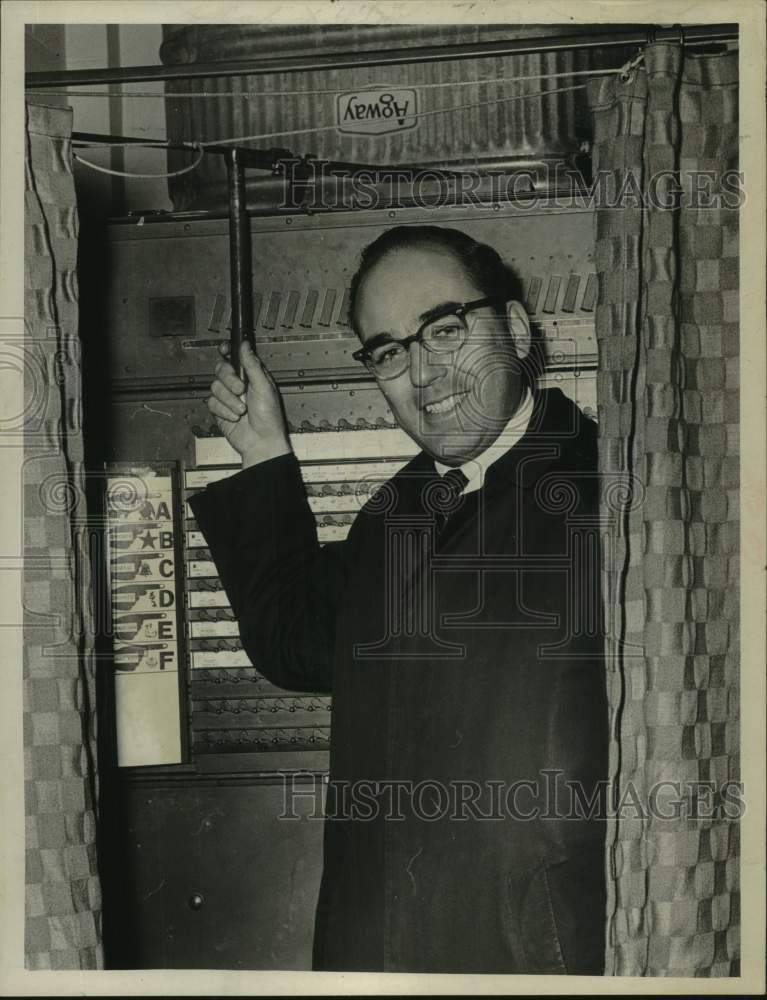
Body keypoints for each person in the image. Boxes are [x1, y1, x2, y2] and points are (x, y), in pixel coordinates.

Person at [190, 226, 608, 974]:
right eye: (389, 351)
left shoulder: (610, 492)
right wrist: (263, 451)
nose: (423, 373)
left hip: (538, 956)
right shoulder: (397, 512)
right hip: (381, 952)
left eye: (444, 330)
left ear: (513, 329)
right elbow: (299, 643)